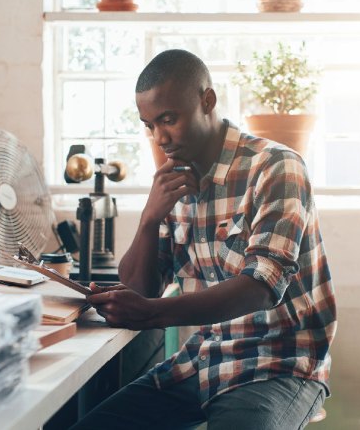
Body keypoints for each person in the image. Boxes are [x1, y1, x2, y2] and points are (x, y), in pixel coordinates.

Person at [71, 49, 337, 430]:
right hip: (203, 359)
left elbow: (262, 287)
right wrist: (149, 218)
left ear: (207, 101)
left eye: (168, 119)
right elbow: (140, 287)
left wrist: (154, 312)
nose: (160, 137)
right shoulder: (174, 180)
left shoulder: (276, 166)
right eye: (149, 125)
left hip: (280, 364)